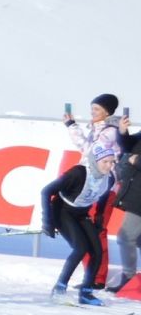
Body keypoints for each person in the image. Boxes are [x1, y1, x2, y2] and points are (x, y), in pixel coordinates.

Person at [63, 94, 129, 288]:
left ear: (107, 112)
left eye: (97, 109)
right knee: (86, 229)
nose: (92, 113)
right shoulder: (98, 129)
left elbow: (92, 152)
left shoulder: (111, 131)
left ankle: (97, 278)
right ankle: (91, 276)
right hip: (90, 184)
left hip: (104, 187)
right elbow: (86, 148)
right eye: (92, 109)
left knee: (96, 229)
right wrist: (72, 126)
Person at [43, 143, 121, 305]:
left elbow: (104, 197)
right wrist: (48, 221)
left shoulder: (110, 178)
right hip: (62, 211)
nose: (109, 166)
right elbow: (46, 191)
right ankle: (59, 288)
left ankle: (86, 292)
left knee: (97, 251)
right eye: (105, 162)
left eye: (112, 162)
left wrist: (99, 217)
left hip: (81, 213)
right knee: (80, 248)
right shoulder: (78, 173)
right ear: (95, 161)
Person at [107, 136, 141, 294]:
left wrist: (136, 161)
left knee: (126, 237)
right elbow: (128, 144)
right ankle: (130, 279)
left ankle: (129, 278)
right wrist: (122, 131)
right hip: (136, 195)